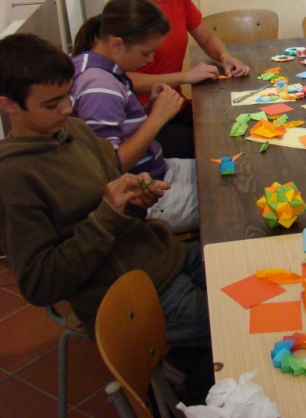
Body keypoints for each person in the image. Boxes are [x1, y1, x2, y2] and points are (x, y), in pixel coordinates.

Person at [0, 34, 212, 403]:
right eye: (51, 104)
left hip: (162, 259)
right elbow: (40, 284)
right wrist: (106, 215)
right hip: (127, 296)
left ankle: (182, 366)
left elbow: (117, 202)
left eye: (67, 96)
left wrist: (137, 199)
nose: (67, 109)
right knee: (242, 326)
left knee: (250, 282)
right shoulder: (14, 177)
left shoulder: (74, 131)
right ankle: (190, 391)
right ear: (8, 105)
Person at [71, 0, 199, 233]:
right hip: (141, 197)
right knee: (229, 202)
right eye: (145, 53)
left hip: (157, 169)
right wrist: (157, 118)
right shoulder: (98, 85)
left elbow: (120, 127)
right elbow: (109, 167)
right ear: (117, 44)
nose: (150, 60)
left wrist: (148, 108)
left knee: (223, 176)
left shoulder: (98, 65)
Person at [126, 0, 250, 158]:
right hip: (144, 114)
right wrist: (185, 77)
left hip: (175, 103)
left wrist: (225, 56)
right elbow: (125, 79)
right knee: (213, 150)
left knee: (232, 132)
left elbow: (206, 37)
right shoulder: (132, 6)